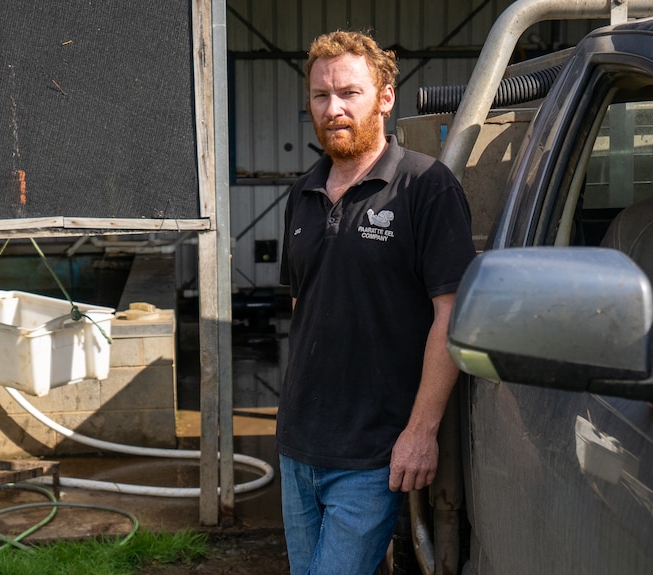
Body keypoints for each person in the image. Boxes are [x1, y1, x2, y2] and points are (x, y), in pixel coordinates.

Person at [277, 30, 476, 574]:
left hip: (372, 452)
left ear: (385, 98)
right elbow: (304, 306)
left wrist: (421, 431)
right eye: (321, 95)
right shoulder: (303, 193)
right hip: (299, 445)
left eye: (349, 93)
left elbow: (451, 315)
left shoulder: (424, 187)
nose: (333, 108)